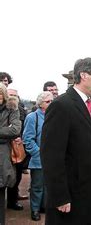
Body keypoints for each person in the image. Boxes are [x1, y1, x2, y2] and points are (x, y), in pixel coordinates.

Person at [41, 57, 91, 225]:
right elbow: (51, 155)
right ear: (83, 75)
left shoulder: (90, 104)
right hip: (71, 194)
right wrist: (59, 196)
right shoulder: (61, 105)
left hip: (90, 192)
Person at [22, 91, 53, 221]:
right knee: (37, 185)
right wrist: (38, 152)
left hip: (52, 158)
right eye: (48, 102)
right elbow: (27, 139)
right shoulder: (32, 117)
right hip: (38, 158)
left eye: (52, 101)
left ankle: (43, 206)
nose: (51, 104)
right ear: (40, 103)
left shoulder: (54, 116)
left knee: (48, 185)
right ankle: (35, 209)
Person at [0, 83, 21, 224]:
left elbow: (15, 130)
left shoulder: (12, 108)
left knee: (1, 188)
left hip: (3, 154)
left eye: (0, 93)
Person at [7, 88, 28, 211]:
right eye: (10, 95)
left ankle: (12, 200)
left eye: (15, 95)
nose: (13, 98)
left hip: (17, 145)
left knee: (17, 175)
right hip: (6, 145)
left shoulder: (20, 110)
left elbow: (24, 126)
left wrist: (21, 137)